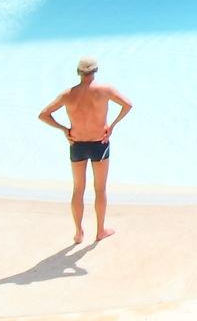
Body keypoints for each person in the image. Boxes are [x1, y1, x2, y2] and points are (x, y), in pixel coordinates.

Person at [38, 57, 133, 244]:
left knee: (78, 189)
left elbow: (43, 115)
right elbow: (127, 105)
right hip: (99, 143)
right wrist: (112, 126)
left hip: (77, 144)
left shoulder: (67, 94)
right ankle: (100, 231)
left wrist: (64, 129)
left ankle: (78, 232)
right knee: (100, 189)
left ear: (78, 73)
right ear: (95, 71)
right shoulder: (105, 91)